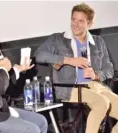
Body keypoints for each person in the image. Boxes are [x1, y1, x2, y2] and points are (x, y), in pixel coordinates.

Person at [35, 3, 118, 133]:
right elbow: (39, 55)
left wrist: (95, 74)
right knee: (101, 102)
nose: (75, 24)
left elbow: (109, 70)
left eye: (81, 21)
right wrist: (69, 61)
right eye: (73, 19)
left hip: (96, 86)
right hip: (70, 88)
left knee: (107, 100)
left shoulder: (98, 42)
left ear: (89, 24)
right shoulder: (58, 39)